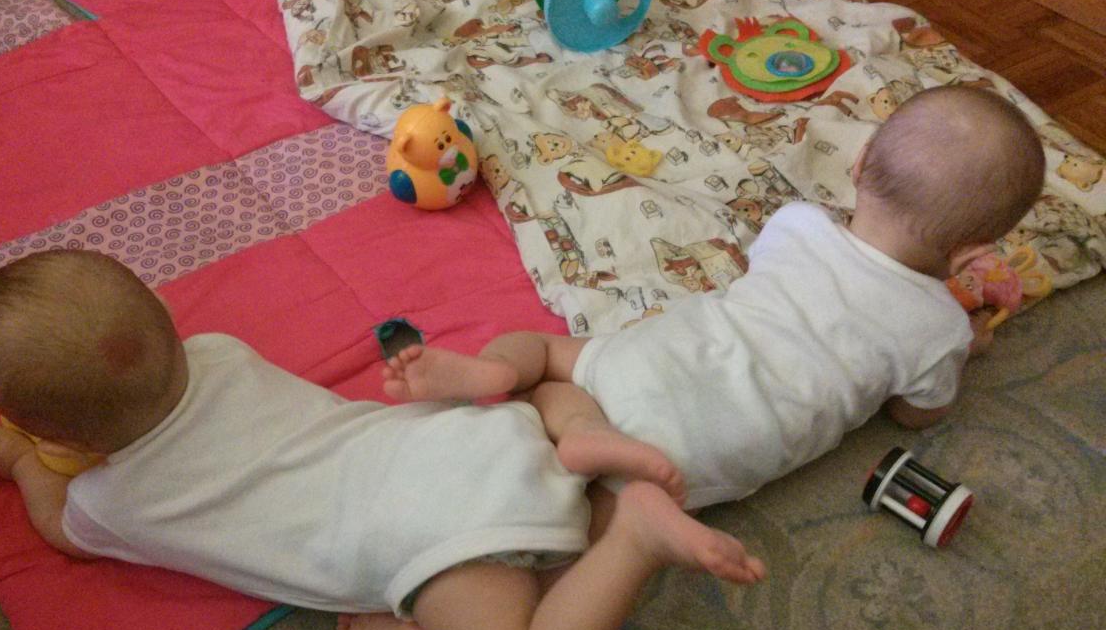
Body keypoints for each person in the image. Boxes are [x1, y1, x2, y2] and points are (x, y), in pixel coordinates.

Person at [0, 249, 766, 630]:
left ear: (60, 438)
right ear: (169, 321)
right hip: (455, 438)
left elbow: (59, 526)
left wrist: (27, 466)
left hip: (426, 534)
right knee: (537, 409)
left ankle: (633, 540)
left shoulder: (110, 503)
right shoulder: (219, 352)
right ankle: (573, 432)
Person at [382, 85, 1048, 512]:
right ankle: (588, 449)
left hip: (655, 358)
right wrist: (966, 346)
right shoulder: (938, 328)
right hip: (707, 449)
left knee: (547, 357)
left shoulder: (797, 224)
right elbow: (914, 415)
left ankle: (496, 371)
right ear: (971, 256)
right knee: (582, 520)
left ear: (859, 161)